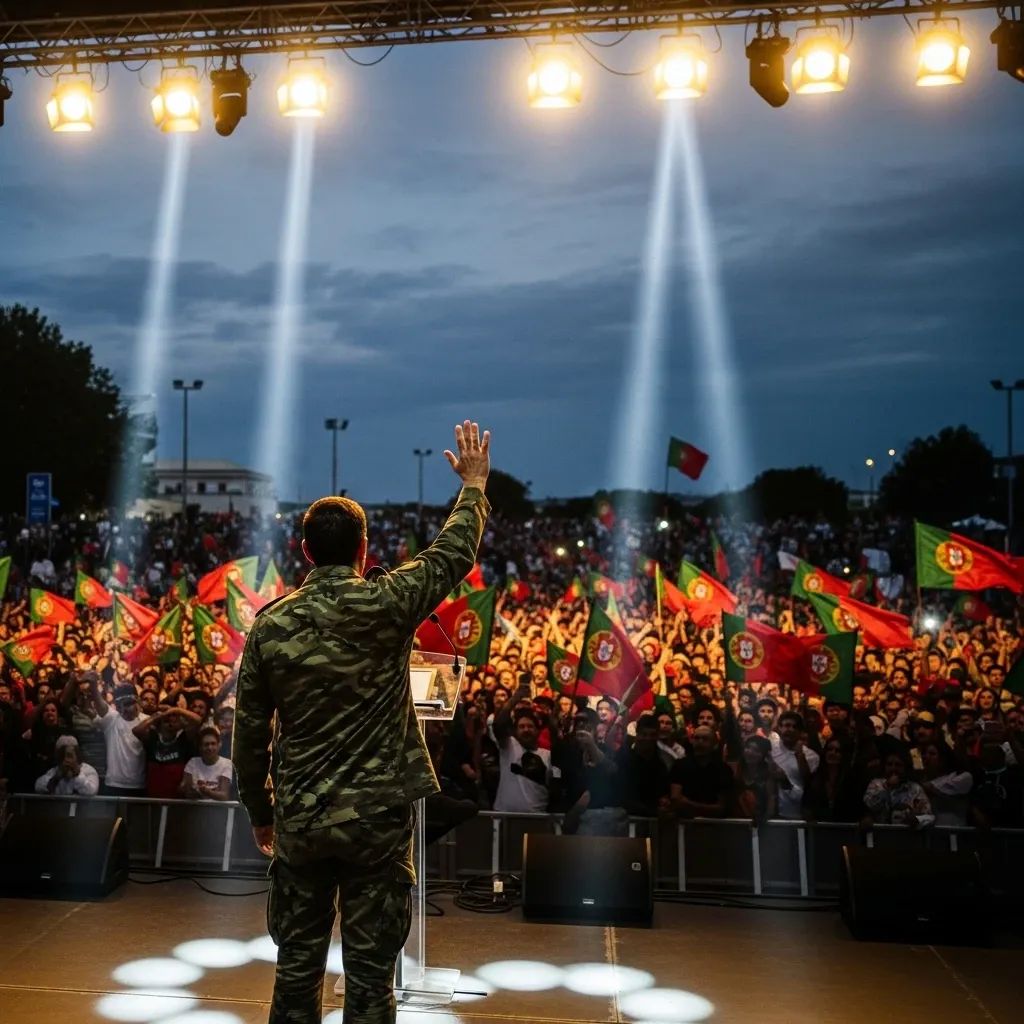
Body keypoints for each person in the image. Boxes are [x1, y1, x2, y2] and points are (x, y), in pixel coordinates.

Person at [232, 419, 491, 1024]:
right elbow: (452, 554)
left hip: (300, 820)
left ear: (305, 551)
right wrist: (474, 486)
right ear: (363, 550)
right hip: (376, 823)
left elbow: (248, 737)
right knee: (372, 980)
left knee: (296, 969)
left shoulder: (271, 626)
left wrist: (261, 812)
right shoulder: (387, 603)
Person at [90, 680, 149, 796]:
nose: (124, 708)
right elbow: (101, 707)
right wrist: (93, 687)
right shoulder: (112, 719)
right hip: (114, 784)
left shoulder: (146, 720)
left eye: (127, 703)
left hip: (138, 784)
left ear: (137, 701)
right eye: (120, 704)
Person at [669, 725, 733, 818]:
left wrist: (689, 804)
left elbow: (721, 808)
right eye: (696, 738)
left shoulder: (723, 770)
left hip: (714, 824)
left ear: (714, 744)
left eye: (705, 739)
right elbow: (676, 800)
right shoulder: (680, 765)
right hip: (686, 823)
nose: (700, 742)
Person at [863, 748, 935, 829]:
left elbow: (930, 817)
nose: (893, 768)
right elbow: (870, 805)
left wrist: (916, 819)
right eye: (889, 764)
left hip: (906, 834)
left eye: (898, 765)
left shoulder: (915, 788)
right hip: (881, 834)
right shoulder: (876, 784)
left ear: (905, 767)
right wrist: (888, 786)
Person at [770, 711, 819, 820]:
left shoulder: (811, 756)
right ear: (779, 728)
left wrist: (800, 756)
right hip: (770, 813)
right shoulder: (770, 749)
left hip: (797, 814)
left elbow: (809, 787)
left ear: (800, 732)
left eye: (795, 727)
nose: (790, 729)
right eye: (787, 725)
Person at [181, 725, 234, 801]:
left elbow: (224, 796)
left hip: (217, 807)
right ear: (200, 747)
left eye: (213, 744)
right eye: (206, 744)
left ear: (219, 745)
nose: (209, 748)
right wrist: (186, 789)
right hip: (195, 806)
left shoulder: (226, 764)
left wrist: (207, 792)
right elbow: (185, 789)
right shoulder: (193, 762)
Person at [34, 735, 99, 796]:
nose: (66, 759)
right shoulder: (54, 771)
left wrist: (77, 775)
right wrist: (56, 779)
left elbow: (91, 791)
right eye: (62, 755)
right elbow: (38, 787)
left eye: (69, 755)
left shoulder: (88, 770)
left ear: (77, 755)